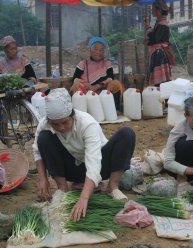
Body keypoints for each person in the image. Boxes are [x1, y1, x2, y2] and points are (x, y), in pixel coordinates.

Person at [33, 88, 136, 222]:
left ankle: (113, 186)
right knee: (43, 138)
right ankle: (62, 188)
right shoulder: (45, 124)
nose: (61, 128)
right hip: (72, 169)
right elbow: (37, 150)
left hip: (99, 167)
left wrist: (83, 198)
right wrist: (42, 179)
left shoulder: (87, 123)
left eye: (65, 122)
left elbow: (93, 165)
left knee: (127, 133)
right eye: (56, 125)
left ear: (72, 115)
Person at [71, 37, 122, 110]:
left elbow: (110, 78)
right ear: (90, 50)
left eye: (101, 50)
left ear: (104, 52)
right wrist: (85, 85)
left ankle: (114, 110)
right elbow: (75, 79)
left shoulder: (107, 64)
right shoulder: (83, 63)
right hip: (86, 91)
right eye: (95, 49)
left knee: (115, 84)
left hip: (103, 91)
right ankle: (81, 112)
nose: (98, 52)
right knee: (76, 88)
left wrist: (98, 86)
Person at [144, 0, 174, 87]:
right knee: (161, 82)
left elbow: (155, 39)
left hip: (159, 54)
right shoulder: (159, 23)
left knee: (160, 82)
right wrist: (148, 27)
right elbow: (155, 38)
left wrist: (148, 30)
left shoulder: (162, 24)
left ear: (159, 11)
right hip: (158, 53)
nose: (151, 10)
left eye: (153, 9)